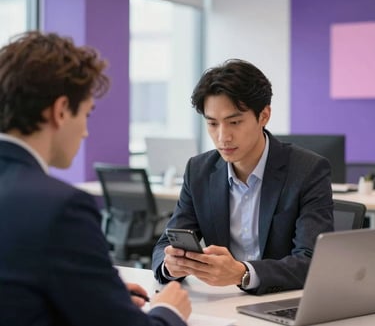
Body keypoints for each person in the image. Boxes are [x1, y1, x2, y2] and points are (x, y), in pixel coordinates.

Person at [0, 31, 191, 326]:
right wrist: (169, 311)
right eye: (87, 115)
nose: (86, 131)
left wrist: (97, 295)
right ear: (61, 111)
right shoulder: (61, 208)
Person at [152, 59, 334, 295]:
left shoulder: (309, 170)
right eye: (212, 123)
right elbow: (165, 246)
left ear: (264, 116)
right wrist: (171, 265)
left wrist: (243, 273)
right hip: (224, 304)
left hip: (283, 302)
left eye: (234, 122)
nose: (222, 137)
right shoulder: (199, 170)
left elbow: (312, 261)